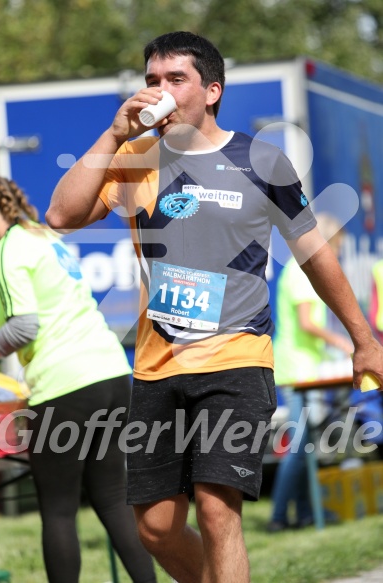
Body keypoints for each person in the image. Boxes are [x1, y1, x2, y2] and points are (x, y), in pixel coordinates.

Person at [46, 30, 383, 583]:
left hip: (237, 360)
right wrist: (112, 134)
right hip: (157, 367)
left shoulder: (262, 161)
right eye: (153, 80)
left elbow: (316, 256)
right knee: (153, 527)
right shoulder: (135, 157)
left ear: (211, 91)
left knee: (217, 507)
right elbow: (61, 215)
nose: (161, 90)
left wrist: (364, 339)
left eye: (176, 79)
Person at [0, 175, 157, 583]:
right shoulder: (41, 236)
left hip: (64, 384)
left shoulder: (7, 251)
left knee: (59, 508)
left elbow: (24, 327)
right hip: (112, 373)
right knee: (113, 499)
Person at [267, 213, 354, 532]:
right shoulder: (302, 272)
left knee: (305, 447)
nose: (339, 253)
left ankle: (304, 512)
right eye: (337, 246)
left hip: (304, 368)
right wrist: (343, 342)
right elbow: (307, 323)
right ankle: (278, 516)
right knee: (301, 447)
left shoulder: (299, 269)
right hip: (297, 371)